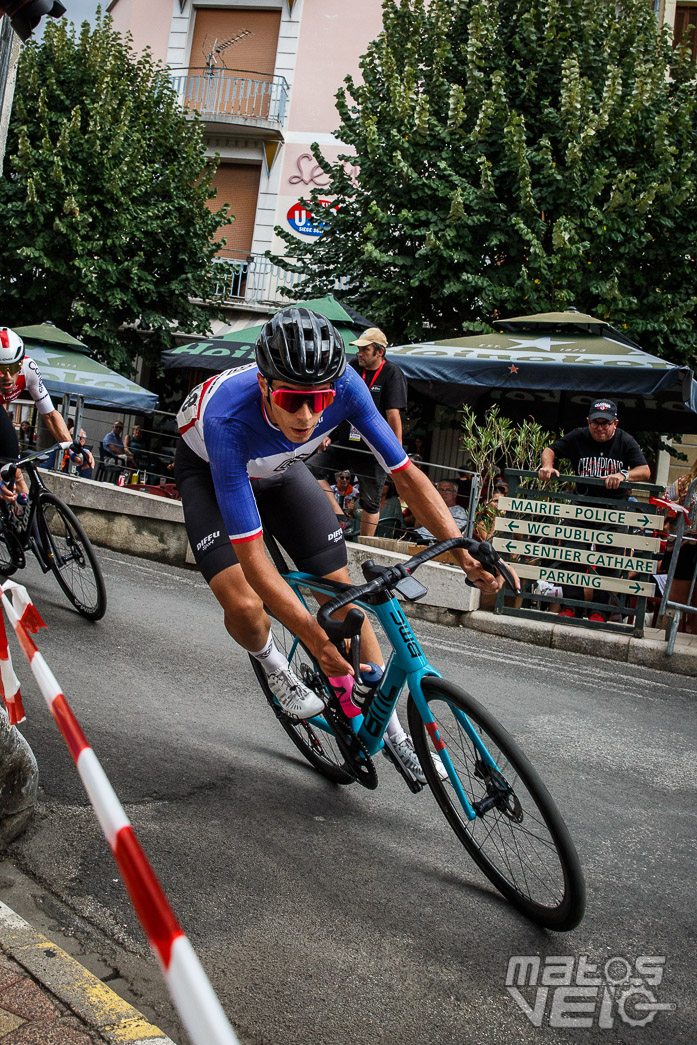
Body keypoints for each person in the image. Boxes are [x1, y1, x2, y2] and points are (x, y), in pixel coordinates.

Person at [174, 308, 513, 782]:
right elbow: (252, 558)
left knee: (341, 593)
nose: (307, 415)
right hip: (211, 474)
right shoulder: (229, 417)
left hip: (282, 470)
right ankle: (274, 666)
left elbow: (406, 475)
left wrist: (462, 552)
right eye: (292, 399)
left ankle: (395, 735)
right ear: (266, 386)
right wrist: (317, 646)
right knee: (247, 605)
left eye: (319, 400)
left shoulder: (349, 386)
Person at [538, 398, 651, 620]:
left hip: (614, 507)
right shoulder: (578, 435)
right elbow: (550, 449)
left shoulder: (625, 440)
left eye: (606, 423)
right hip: (582, 505)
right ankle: (572, 605)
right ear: (588, 421)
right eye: (596, 423)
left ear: (615, 423)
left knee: (609, 562)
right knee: (572, 555)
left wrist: (623, 475)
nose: (600, 427)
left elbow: (645, 471)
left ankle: (600, 611)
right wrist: (547, 465)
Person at [307, 326, 408, 537]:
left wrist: (395, 453)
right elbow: (334, 402)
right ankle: (340, 516)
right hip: (344, 443)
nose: (359, 353)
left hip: (372, 450)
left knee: (370, 503)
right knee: (309, 469)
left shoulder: (392, 373)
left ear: (379, 352)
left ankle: (364, 547)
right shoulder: (352, 366)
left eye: (365, 349)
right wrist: (325, 432)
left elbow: (393, 415)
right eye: (358, 349)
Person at [0, 327, 84, 502]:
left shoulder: (29, 369)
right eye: (0, 369)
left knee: (15, 466)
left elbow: (50, 414)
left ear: (21, 363)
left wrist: (71, 446)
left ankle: (24, 519)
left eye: (13, 367)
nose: (7, 376)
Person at [411, 479, 469, 544]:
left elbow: (455, 534)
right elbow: (417, 526)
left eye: (448, 490)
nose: (444, 493)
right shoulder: (431, 507)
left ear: (455, 494)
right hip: (416, 535)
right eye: (441, 490)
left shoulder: (459, 512)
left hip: (430, 541)